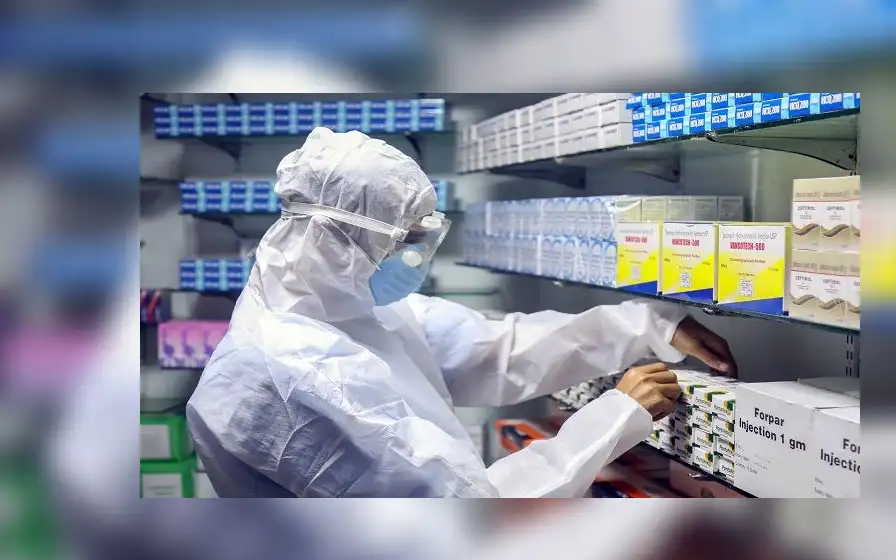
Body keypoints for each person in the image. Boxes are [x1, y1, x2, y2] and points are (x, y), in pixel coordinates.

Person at [186, 128, 737, 498]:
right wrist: (615, 417)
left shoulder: (345, 305)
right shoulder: (293, 378)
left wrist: (649, 324)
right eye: (406, 237)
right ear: (337, 241)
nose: (415, 254)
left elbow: (499, 349)